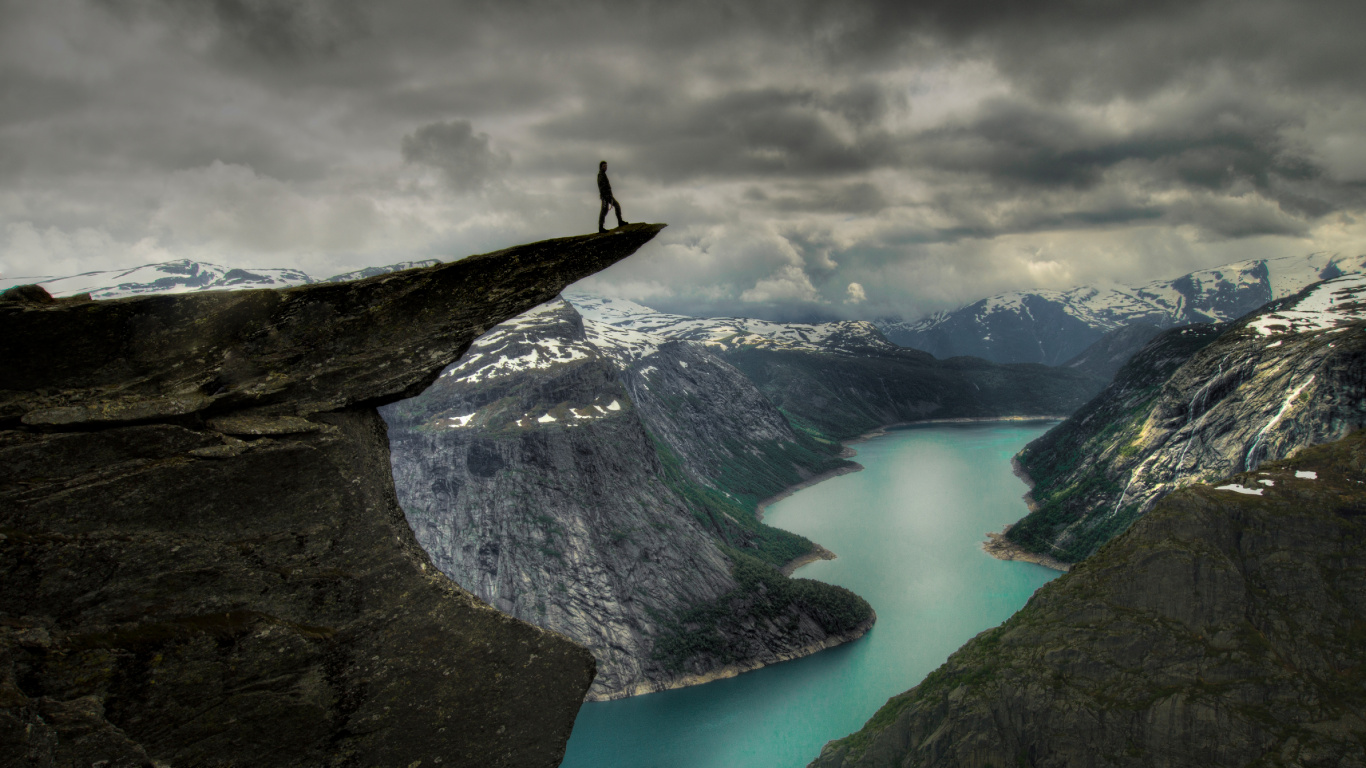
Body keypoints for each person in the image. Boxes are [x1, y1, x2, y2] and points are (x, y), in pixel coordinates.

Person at [597, 160, 628, 233]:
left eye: (606, 166)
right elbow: (602, 187)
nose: (605, 167)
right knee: (605, 210)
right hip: (606, 196)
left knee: (612, 207)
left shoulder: (603, 174)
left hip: (608, 195)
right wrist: (605, 195)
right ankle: (601, 228)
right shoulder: (601, 175)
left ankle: (619, 222)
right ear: (601, 167)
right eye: (604, 166)